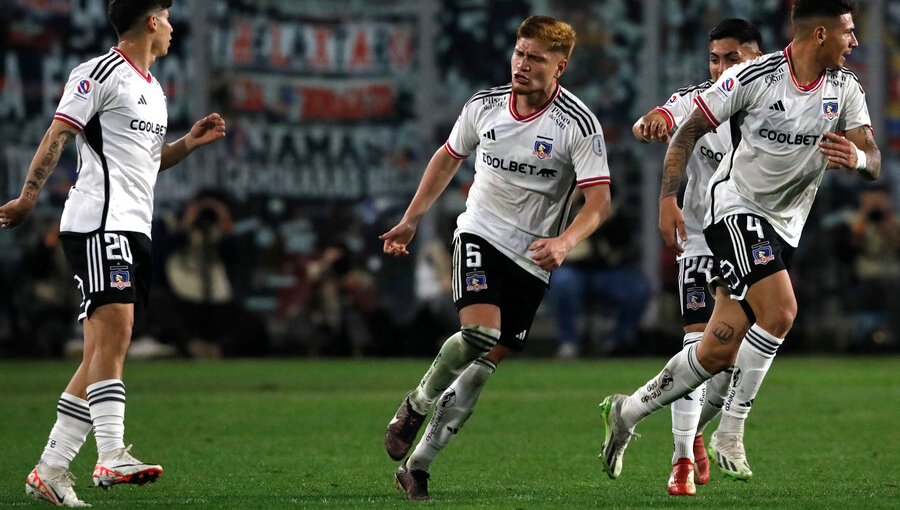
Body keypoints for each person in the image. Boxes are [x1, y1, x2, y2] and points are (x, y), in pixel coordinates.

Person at [600, 0, 879, 484]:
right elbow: (687, 130)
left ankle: (628, 410)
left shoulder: (845, 88)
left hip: (785, 227)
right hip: (734, 210)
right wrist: (668, 199)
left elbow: (873, 156)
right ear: (819, 34)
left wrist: (857, 157)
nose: (854, 41)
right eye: (848, 32)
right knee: (782, 312)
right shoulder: (754, 77)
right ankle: (730, 429)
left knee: (715, 351)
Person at [0, 1, 226, 506]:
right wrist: (28, 198)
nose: (171, 27)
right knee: (116, 335)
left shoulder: (153, 89)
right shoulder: (99, 73)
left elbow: (145, 165)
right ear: (150, 21)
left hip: (131, 226)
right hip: (98, 224)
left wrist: (188, 143)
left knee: (102, 351)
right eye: (166, 16)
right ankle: (111, 453)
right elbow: (60, 133)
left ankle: (51, 469)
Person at [380, 15, 612, 500]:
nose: (522, 65)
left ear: (560, 66)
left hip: (533, 257)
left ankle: (417, 466)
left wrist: (565, 242)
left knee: (482, 368)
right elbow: (447, 157)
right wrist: (411, 218)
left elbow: (599, 202)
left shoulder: (578, 125)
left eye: (536, 59)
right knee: (479, 333)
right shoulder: (484, 106)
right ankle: (417, 402)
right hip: (480, 234)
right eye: (519, 53)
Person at [631, 19, 762, 494]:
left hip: (753, 238)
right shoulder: (698, 99)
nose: (721, 67)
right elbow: (662, 118)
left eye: (732, 58)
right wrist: (652, 124)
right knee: (695, 343)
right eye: (715, 58)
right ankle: (682, 458)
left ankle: (698, 431)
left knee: (726, 361)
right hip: (702, 237)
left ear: (756, 57)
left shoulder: (776, 101)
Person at [546, 200, 650, 358]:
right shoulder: (561, 206)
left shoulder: (614, 209)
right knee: (563, 282)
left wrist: (606, 221)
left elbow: (625, 246)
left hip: (606, 272)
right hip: (573, 269)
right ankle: (569, 342)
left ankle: (617, 342)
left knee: (639, 288)